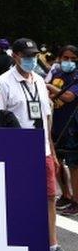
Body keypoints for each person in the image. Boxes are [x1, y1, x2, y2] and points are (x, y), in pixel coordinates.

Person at [0, 38, 78, 251]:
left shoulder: (41, 81)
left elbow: (46, 117)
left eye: (33, 56)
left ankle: (52, 245)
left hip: (41, 149)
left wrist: (51, 150)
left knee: (50, 197)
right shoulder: (4, 83)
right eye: (26, 56)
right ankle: (19, 244)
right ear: (15, 56)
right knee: (18, 199)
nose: (31, 60)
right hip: (16, 152)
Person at [48, 46, 78, 215]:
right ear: (59, 58)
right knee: (57, 163)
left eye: (73, 58)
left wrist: (49, 88)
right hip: (56, 125)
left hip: (72, 127)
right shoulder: (57, 74)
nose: (69, 61)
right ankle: (66, 195)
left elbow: (68, 97)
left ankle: (76, 200)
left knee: (74, 165)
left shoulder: (76, 76)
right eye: (66, 57)